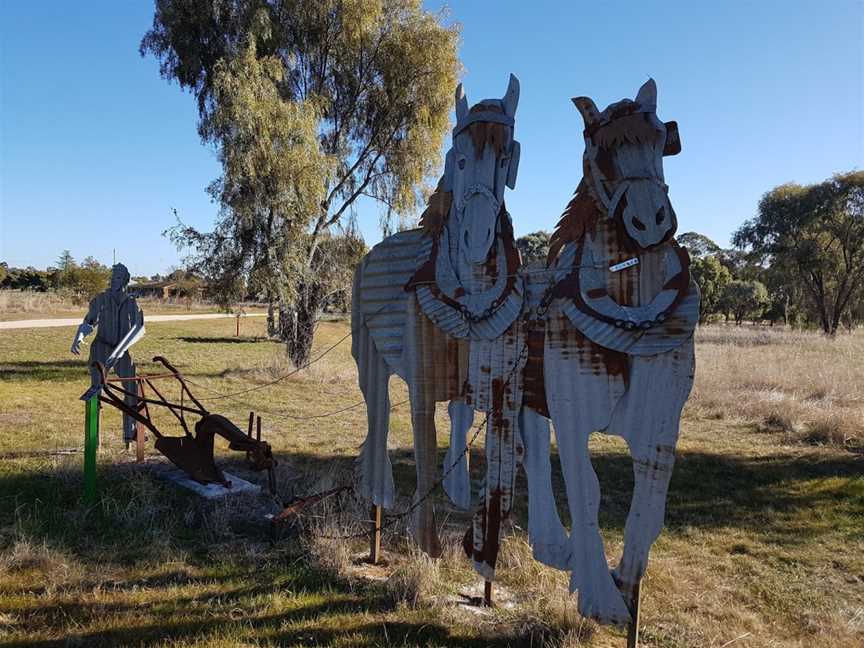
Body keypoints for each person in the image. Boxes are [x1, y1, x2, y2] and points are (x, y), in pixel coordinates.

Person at [71, 263, 144, 447]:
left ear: (125, 280)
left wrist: (122, 348)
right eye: (112, 277)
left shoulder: (132, 302)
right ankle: (93, 440)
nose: (113, 280)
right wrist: (79, 337)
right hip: (101, 349)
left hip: (123, 350)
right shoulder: (101, 299)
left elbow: (139, 328)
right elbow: (89, 321)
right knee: (96, 390)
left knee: (131, 389)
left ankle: (130, 433)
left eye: (118, 277)